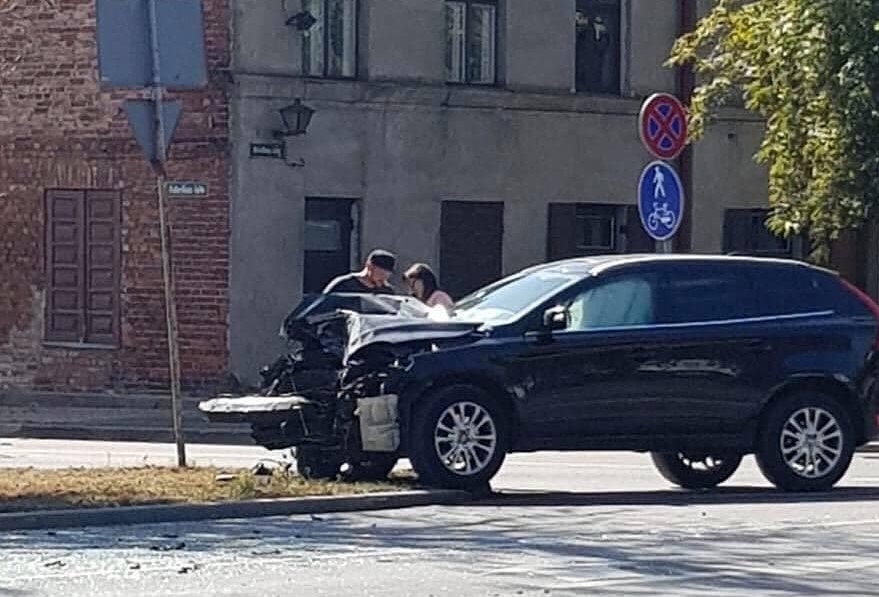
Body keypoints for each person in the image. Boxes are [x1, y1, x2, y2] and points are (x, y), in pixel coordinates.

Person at [323, 249, 397, 294]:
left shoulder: (387, 291)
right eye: (381, 273)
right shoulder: (344, 285)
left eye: (387, 274)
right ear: (370, 266)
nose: (383, 278)